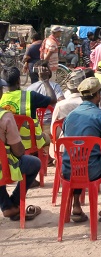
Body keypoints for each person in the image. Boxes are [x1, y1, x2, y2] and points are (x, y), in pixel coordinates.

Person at [61, 78, 101, 222]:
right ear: (97, 95)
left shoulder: (70, 116)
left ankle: (76, 204)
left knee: (78, 159)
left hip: (67, 168)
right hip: (93, 170)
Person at [0, 78, 42, 221]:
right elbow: (18, 151)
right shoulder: (5, 116)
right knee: (35, 163)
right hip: (3, 167)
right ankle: (13, 203)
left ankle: (6, 205)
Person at [1, 66, 56, 173]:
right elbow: (53, 99)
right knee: (50, 137)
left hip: (5, 142)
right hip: (29, 142)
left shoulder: (1, 98)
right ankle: (42, 165)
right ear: (18, 80)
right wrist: (45, 81)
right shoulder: (30, 96)